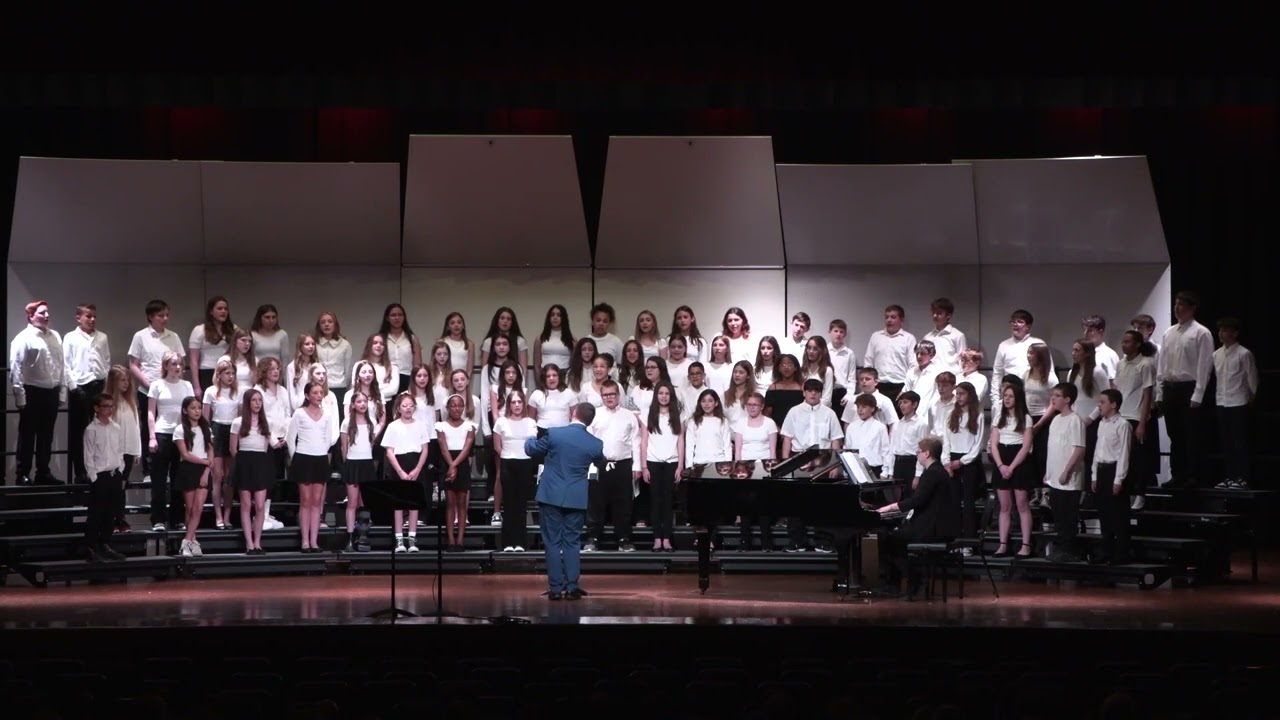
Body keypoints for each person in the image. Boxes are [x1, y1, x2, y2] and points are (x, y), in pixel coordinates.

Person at [524, 402, 606, 601]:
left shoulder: (555, 434)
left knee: (552, 542)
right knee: (572, 543)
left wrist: (529, 436)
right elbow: (600, 462)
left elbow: (531, 449)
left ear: (574, 413)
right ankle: (571, 587)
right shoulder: (595, 443)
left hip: (551, 496)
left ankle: (555, 589)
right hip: (576, 499)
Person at [875, 437, 961, 594]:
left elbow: (917, 501)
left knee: (890, 540)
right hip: (936, 525)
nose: (917, 455)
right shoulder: (939, 471)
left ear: (927, 453)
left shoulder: (932, 474)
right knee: (894, 538)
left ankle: (910, 580)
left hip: (932, 528)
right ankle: (903, 582)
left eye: (918, 452)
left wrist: (889, 508)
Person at [779, 378, 843, 552]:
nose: (813, 393)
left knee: (822, 503)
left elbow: (836, 439)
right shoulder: (794, 412)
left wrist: (835, 464)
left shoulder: (829, 413)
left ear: (821, 393)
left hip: (823, 460)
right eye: (810, 390)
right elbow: (787, 439)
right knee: (795, 503)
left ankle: (823, 541)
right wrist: (786, 465)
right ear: (804, 392)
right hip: (799, 459)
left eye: (816, 390)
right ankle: (797, 541)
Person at [1157, 292, 1214, 488]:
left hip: (1189, 387)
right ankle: (1177, 474)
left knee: (1192, 434)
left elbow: (1204, 365)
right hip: (1171, 387)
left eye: (1182, 304)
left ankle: (1193, 475)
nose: (1178, 308)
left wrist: (1198, 394)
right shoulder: (1169, 332)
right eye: (1176, 304)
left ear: (1192, 308)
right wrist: (1160, 392)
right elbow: (1162, 364)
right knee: (1175, 434)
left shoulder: (1201, 332)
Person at [10, 300, 67, 486]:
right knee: (27, 435)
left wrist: (61, 392)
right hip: (32, 391)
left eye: (47, 312)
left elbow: (61, 365)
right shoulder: (22, 338)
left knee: (46, 436)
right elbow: (16, 368)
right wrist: (20, 396)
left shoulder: (55, 336)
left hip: (51, 391)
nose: (47, 316)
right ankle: (22, 473)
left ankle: (43, 471)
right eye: (42, 313)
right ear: (31, 316)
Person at [128, 299, 185, 481]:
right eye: (161, 315)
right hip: (149, 389)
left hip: (170, 391)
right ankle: (149, 470)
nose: (165, 318)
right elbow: (133, 365)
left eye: (167, 315)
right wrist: (148, 384)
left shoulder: (173, 337)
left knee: (172, 428)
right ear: (150, 317)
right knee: (149, 429)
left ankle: (171, 469)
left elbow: (179, 363)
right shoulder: (141, 336)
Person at [586, 379, 643, 552]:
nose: (609, 397)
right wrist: (589, 467)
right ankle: (593, 538)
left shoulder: (629, 415)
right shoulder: (594, 415)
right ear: (601, 396)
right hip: (599, 464)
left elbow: (636, 442)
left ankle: (624, 539)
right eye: (605, 395)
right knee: (596, 503)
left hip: (623, 464)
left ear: (618, 395)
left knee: (623, 504)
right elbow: (588, 442)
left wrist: (637, 466)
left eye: (612, 394)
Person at [64, 303, 111, 484]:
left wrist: (104, 380)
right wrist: (73, 386)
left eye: (94, 316)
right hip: (80, 386)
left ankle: (97, 467)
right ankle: (80, 471)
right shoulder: (70, 337)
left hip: (97, 385)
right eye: (88, 316)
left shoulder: (102, 337)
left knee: (97, 428)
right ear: (79, 318)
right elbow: (66, 363)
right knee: (79, 430)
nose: (92, 319)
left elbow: (106, 360)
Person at [147, 351, 194, 531]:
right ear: (166, 366)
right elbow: (151, 412)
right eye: (173, 364)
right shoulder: (157, 385)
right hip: (162, 433)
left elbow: (191, 410)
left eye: (179, 364)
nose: (177, 367)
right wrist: (152, 436)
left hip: (180, 435)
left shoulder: (187, 385)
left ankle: (177, 518)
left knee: (178, 478)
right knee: (159, 479)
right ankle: (158, 518)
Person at [988, 383, 1035, 558]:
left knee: (1022, 505)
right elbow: (993, 444)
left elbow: (1026, 446)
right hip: (1002, 459)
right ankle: (1002, 545)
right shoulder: (998, 417)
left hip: (1019, 461)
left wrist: (1012, 467)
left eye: (1010, 396)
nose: (1006, 399)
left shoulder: (1025, 418)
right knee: (1004, 506)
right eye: (1005, 396)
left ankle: (1025, 545)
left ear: (1017, 399)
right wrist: (1001, 466)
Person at [1114, 330, 1158, 510]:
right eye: (1123, 342)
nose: (1124, 345)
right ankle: (1126, 492)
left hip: (1136, 416)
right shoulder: (1120, 364)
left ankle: (1140, 493)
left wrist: (1142, 422)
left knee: (1138, 457)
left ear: (1138, 344)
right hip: (1121, 415)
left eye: (1128, 342)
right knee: (1123, 457)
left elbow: (1148, 394)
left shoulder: (1146, 364)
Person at [1212, 317, 1257, 490]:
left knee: (1240, 442)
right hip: (1222, 401)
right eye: (1220, 330)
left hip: (1239, 402)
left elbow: (1252, 378)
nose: (1222, 334)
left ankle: (1242, 477)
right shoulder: (1216, 354)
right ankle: (1230, 476)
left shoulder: (1244, 353)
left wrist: (1251, 398)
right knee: (1226, 442)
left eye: (1226, 330)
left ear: (1235, 333)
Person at [1044, 383, 1086, 562]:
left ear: (1067, 399)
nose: (1053, 399)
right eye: (1052, 395)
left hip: (1069, 479)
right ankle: (1061, 548)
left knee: (1069, 516)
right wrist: (1048, 472)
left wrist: (1066, 471)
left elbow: (1079, 449)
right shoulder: (1055, 419)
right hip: (1054, 478)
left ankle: (1070, 550)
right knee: (1059, 516)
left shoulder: (1075, 420)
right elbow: (1052, 448)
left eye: (1057, 395)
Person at [492, 389, 538, 552]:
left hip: (525, 464)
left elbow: (533, 445)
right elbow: (497, 446)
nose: (517, 405)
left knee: (521, 505)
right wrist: (507, 455)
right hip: (508, 463)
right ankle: (508, 543)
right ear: (509, 405)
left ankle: (520, 542)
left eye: (519, 402)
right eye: (513, 402)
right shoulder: (501, 422)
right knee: (509, 504)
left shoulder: (531, 423)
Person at [82, 393, 126, 562]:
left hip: (114, 474)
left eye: (111, 406)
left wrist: (120, 468)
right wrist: (94, 477)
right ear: (97, 408)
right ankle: (91, 547)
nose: (109, 409)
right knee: (96, 513)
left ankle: (106, 544)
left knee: (110, 513)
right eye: (106, 406)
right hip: (100, 476)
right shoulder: (91, 430)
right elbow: (89, 456)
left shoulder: (116, 428)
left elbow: (119, 450)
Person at [231, 389, 275, 555]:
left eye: (260, 400)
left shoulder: (266, 422)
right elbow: (233, 448)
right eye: (254, 400)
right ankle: (249, 544)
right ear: (247, 403)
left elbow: (265, 446)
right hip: (244, 462)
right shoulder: (238, 423)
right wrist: (242, 464)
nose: (257, 403)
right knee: (246, 504)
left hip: (260, 463)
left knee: (260, 505)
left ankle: (258, 542)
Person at [1092, 389, 1132, 564]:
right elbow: (1097, 451)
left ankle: (1122, 554)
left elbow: (1124, 453)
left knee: (1118, 515)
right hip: (1101, 471)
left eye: (1102, 402)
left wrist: (1119, 479)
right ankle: (1105, 551)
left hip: (1114, 471)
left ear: (1113, 405)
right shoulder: (1102, 424)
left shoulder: (1123, 425)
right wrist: (1094, 475)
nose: (1099, 405)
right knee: (1104, 514)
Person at [643, 383, 684, 552]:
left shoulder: (678, 415)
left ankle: (666, 539)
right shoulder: (649, 414)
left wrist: (680, 465)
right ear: (656, 395)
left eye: (667, 393)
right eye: (661, 393)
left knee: (668, 502)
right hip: (653, 462)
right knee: (655, 502)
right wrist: (644, 466)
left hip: (671, 462)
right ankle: (656, 539)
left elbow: (681, 441)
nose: (664, 396)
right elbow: (644, 441)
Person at [990, 309, 1054, 409]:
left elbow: (1049, 369)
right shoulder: (1003, 345)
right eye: (1013, 321)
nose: (1015, 324)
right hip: (1010, 395)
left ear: (1028, 326)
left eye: (1020, 322)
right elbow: (997, 374)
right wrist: (995, 400)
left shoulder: (1038, 344)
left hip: (1033, 395)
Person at [174, 396, 212, 557]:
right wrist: (203, 461)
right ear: (185, 410)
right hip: (188, 469)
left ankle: (186, 542)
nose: (197, 411)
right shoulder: (180, 429)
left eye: (199, 408)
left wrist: (206, 469)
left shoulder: (206, 429)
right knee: (190, 508)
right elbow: (185, 454)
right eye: (193, 408)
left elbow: (210, 451)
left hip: (203, 470)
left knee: (198, 508)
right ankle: (193, 541)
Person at [863, 304, 916, 401]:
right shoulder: (876, 337)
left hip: (899, 386)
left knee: (897, 415)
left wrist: (907, 388)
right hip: (879, 385)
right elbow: (868, 361)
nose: (889, 320)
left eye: (893, 317)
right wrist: (868, 382)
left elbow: (913, 365)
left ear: (901, 320)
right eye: (886, 317)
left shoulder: (909, 339)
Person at [188, 296, 235, 395]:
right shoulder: (199, 330)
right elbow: (193, 361)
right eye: (219, 309)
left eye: (225, 309)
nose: (223, 311)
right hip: (206, 372)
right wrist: (196, 386)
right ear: (211, 311)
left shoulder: (233, 329)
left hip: (227, 372)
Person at [380, 303, 422, 394]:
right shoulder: (381, 338)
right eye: (393, 315)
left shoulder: (412, 338)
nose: (397, 318)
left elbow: (417, 364)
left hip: (407, 378)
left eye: (400, 315)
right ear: (387, 318)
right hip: (387, 379)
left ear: (404, 317)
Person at [923, 298, 968, 371]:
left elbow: (963, 360)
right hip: (931, 378)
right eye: (933, 312)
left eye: (939, 313)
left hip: (951, 378)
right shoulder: (927, 337)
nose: (935, 316)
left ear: (948, 315)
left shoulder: (958, 335)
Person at [826, 319, 857, 409]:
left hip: (842, 393)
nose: (838, 334)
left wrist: (849, 395)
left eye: (841, 332)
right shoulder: (824, 351)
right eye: (835, 331)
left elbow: (852, 378)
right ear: (829, 332)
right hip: (826, 391)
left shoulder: (849, 353)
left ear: (845, 334)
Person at [1083, 315, 1120, 380]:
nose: (1085, 333)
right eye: (1085, 330)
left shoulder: (1109, 354)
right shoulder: (1084, 353)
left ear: (1101, 332)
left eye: (1090, 330)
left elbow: (1112, 382)